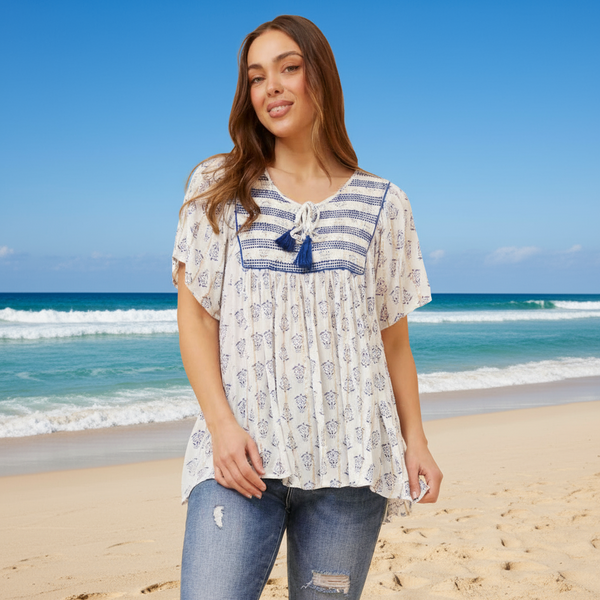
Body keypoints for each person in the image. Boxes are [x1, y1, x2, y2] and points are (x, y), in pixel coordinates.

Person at [172, 14, 442, 600]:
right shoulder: (218, 186)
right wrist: (221, 426)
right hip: (240, 459)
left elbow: (393, 342)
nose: (271, 87)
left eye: (288, 68)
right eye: (256, 77)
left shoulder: (384, 203)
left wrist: (416, 441)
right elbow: (194, 317)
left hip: (352, 465)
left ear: (320, 76)